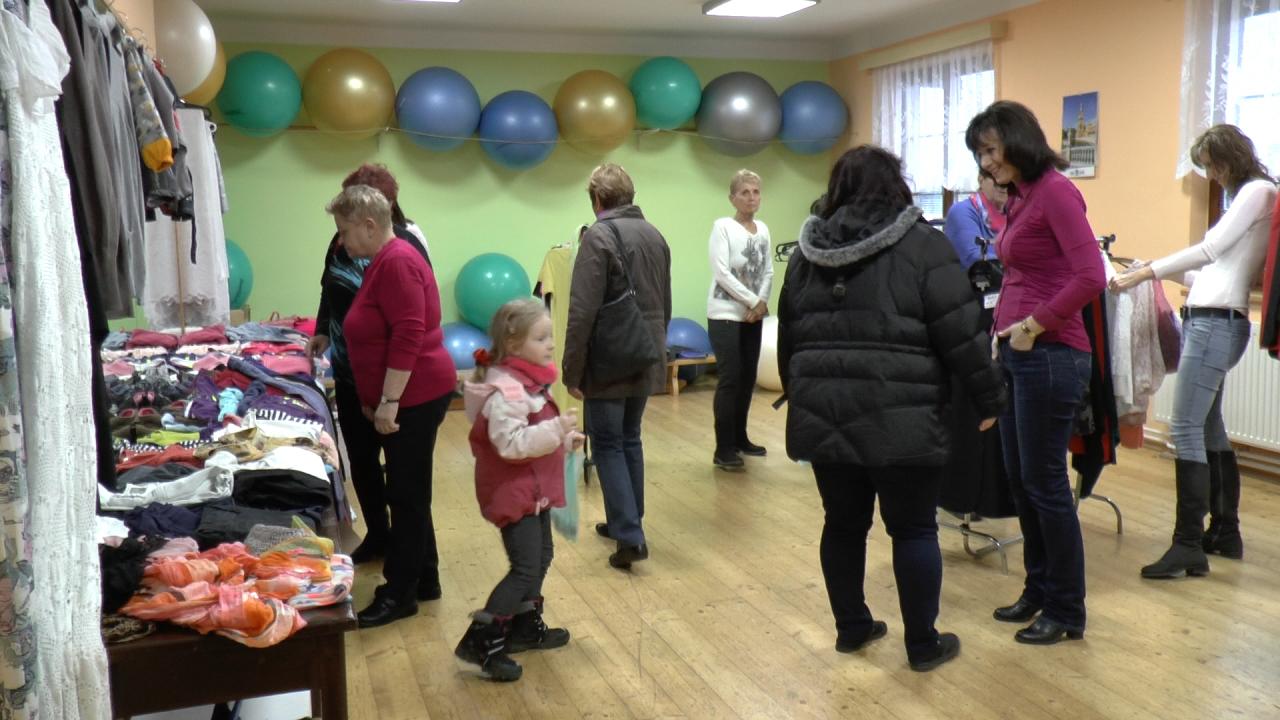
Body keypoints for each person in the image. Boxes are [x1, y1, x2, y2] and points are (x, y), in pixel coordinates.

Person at [778, 145, 1005, 672]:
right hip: (904, 416)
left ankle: (852, 628)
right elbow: (961, 332)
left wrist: (802, 393)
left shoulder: (807, 255)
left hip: (827, 413)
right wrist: (990, 397)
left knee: (842, 524)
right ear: (895, 186)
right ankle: (922, 645)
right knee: (914, 529)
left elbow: (790, 338)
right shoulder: (924, 245)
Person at [964, 100, 1106, 645]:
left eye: (991, 149)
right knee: (1022, 483)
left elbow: (1091, 275)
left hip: (1052, 354)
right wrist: (1003, 335)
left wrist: (1033, 324)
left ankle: (1066, 609)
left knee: (1045, 485)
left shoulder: (1055, 193)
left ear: (1018, 140)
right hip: (1018, 354)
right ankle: (1039, 589)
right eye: (980, 154)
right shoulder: (1022, 197)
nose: (986, 162)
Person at [1111, 125, 1277, 577]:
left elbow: (1210, 250)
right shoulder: (1252, 197)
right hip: (1214, 321)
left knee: (1184, 426)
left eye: (1212, 165)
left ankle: (1187, 545)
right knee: (1207, 427)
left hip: (1214, 325)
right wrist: (1153, 268)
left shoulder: (1257, 191)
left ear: (1229, 158)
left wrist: (1147, 273)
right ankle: (1224, 531)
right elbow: (1214, 272)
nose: (1211, 175)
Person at [325, 185, 456, 629]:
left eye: (344, 231)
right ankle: (425, 579)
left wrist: (389, 401)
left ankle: (399, 593)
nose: (342, 241)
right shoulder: (383, 259)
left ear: (369, 225)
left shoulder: (397, 261)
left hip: (415, 395)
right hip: (407, 394)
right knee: (409, 490)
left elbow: (408, 333)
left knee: (406, 494)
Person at [453, 299, 584, 682]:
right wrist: (555, 430)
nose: (550, 344)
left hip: (533, 490)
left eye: (550, 337)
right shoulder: (508, 393)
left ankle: (524, 627)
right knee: (525, 567)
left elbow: (535, 436)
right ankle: (482, 644)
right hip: (514, 493)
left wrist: (564, 441)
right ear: (513, 344)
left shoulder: (529, 384)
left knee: (541, 556)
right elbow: (510, 445)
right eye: (541, 338)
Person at [307, 164, 430, 566]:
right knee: (361, 462)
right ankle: (378, 535)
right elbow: (328, 286)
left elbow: (411, 324)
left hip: (388, 379)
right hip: (349, 370)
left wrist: (390, 397)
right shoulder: (341, 242)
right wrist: (324, 328)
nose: (343, 232)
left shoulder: (404, 248)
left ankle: (408, 558)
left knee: (404, 479)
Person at [562, 163, 672, 571]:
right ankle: (627, 520)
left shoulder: (598, 236)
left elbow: (582, 312)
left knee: (607, 443)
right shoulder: (655, 234)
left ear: (597, 199)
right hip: (646, 350)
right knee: (630, 438)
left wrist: (572, 370)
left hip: (609, 356)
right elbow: (665, 302)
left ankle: (629, 535)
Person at [706, 169, 774, 469]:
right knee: (731, 378)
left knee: (747, 378)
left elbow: (768, 270)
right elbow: (722, 273)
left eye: (756, 192)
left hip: (753, 315)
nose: (751, 197)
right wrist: (753, 301)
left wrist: (761, 303)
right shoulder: (722, 227)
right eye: (744, 192)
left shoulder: (763, 229)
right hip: (725, 314)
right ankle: (723, 449)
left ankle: (740, 438)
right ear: (732, 197)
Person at [943, 168, 1008, 268]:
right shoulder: (961, 211)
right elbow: (974, 258)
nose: (1003, 185)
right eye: (996, 177)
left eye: (1009, 181)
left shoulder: (1016, 214)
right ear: (980, 179)